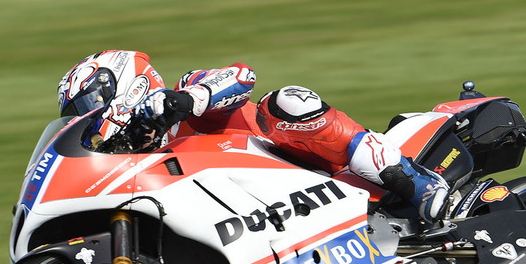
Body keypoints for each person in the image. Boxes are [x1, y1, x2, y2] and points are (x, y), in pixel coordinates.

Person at [57, 50, 449, 222]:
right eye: (78, 113)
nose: (87, 116)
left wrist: (188, 99)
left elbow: (242, 75)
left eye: (89, 101)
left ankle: (414, 180)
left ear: (124, 82)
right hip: (259, 219)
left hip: (313, 173)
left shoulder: (184, 94)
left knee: (285, 103)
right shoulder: (133, 164)